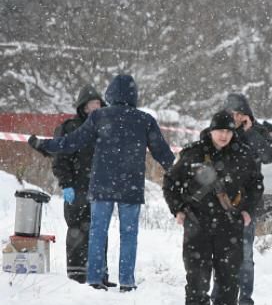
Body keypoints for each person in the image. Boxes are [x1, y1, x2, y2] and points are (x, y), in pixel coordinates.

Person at [28, 74, 175, 292]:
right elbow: (163, 154)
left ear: (111, 94)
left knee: (98, 231)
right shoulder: (145, 120)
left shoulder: (99, 117)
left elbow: (71, 142)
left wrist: (44, 144)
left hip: (102, 184)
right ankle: (127, 281)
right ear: (134, 95)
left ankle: (95, 278)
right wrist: (185, 175)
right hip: (130, 185)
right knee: (129, 235)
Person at [162, 110, 264, 305]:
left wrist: (247, 209)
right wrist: (177, 208)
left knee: (229, 279)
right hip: (198, 225)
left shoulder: (243, 155)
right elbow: (170, 182)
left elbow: (256, 185)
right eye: (220, 131)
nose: (224, 136)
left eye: (228, 131)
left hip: (230, 226)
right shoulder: (193, 154)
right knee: (197, 279)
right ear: (211, 131)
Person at [51, 84, 114, 286]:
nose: (96, 107)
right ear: (83, 107)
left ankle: (100, 275)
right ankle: (77, 276)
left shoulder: (105, 129)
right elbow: (60, 159)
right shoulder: (70, 128)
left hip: (100, 189)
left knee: (99, 230)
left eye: (98, 103)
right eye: (92, 104)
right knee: (78, 230)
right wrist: (66, 184)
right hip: (76, 189)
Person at [222, 93, 272, 305]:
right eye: (231, 114)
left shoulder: (258, 132)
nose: (235, 118)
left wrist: (250, 132)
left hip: (248, 203)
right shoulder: (221, 131)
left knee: (245, 255)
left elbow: (269, 155)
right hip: (222, 202)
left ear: (246, 115)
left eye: (239, 114)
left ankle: (245, 301)